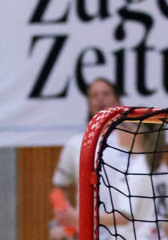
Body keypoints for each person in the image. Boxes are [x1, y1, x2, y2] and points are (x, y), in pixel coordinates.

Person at [50, 77, 121, 230]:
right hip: (90, 233)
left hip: (126, 233)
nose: (100, 99)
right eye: (94, 95)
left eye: (106, 93)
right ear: (88, 104)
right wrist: (68, 220)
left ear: (117, 100)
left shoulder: (130, 140)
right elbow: (60, 187)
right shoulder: (76, 143)